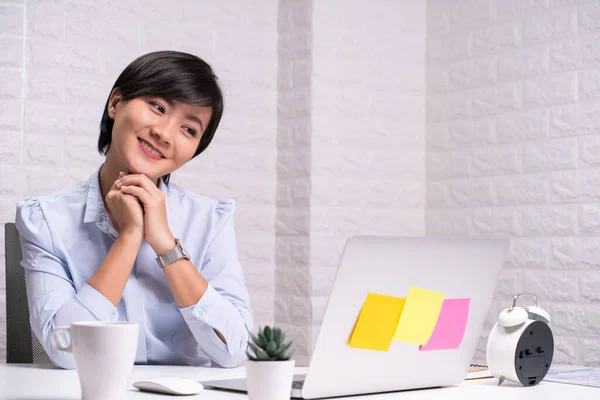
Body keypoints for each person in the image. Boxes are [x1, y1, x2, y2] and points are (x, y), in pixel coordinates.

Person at [15, 50, 254, 369]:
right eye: (158, 107)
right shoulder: (44, 220)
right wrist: (129, 237)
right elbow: (65, 352)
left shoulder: (210, 220)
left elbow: (234, 351)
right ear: (115, 103)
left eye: (189, 130)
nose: (165, 134)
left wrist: (166, 244)